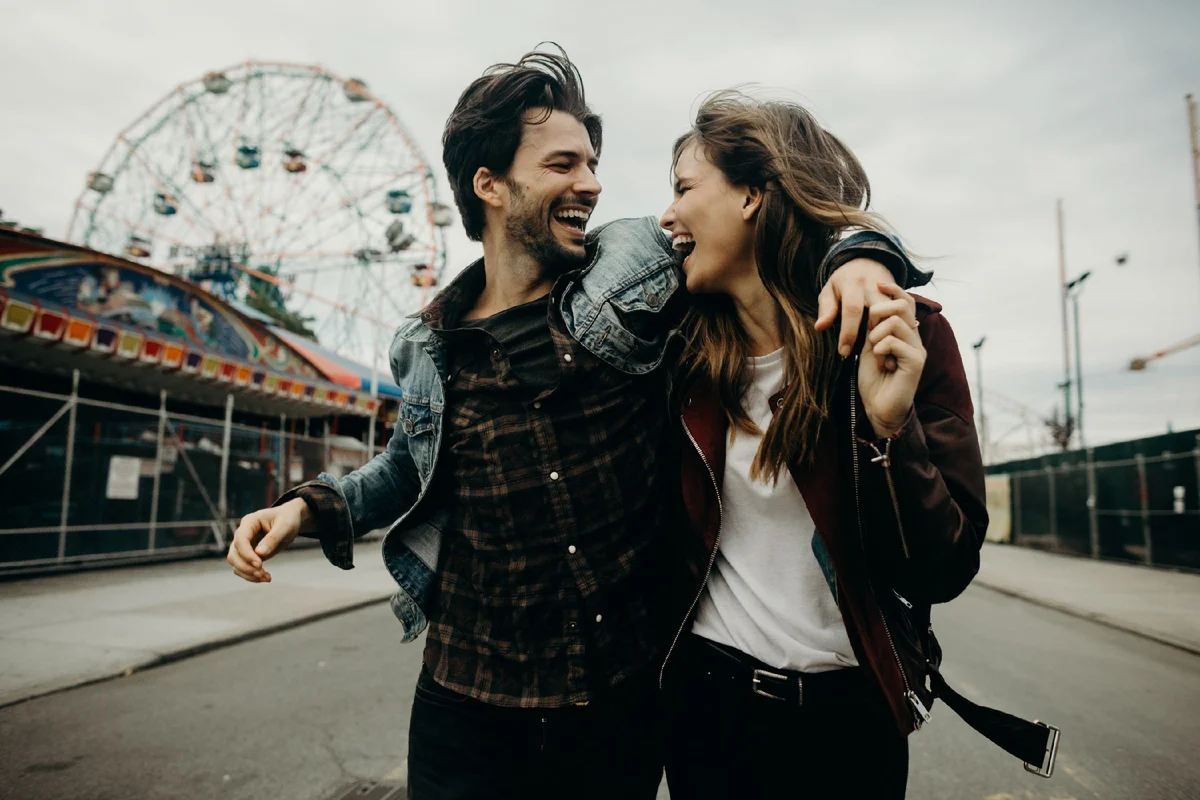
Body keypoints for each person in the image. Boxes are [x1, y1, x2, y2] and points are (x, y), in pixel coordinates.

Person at [227, 48, 920, 800]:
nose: (590, 184)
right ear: (489, 185)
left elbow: (780, 225)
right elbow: (405, 465)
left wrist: (861, 255)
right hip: (467, 705)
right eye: (563, 165)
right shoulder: (427, 345)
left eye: (592, 163)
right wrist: (306, 506)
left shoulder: (639, 272)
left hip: (614, 708)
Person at [656, 92, 986, 799]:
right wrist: (866, 245)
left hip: (852, 725)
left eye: (684, 188)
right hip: (708, 713)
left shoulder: (905, 337)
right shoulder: (677, 354)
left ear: (752, 194)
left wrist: (888, 433)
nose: (667, 214)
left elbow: (945, 568)